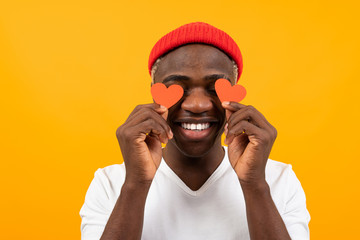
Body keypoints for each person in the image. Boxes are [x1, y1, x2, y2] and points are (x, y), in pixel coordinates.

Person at [80, 22, 310, 240]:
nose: (197, 105)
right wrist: (136, 184)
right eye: (175, 88)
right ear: (154, 93)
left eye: (214, 88)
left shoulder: (279, 180)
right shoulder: (110, 183)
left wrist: (254, 184)